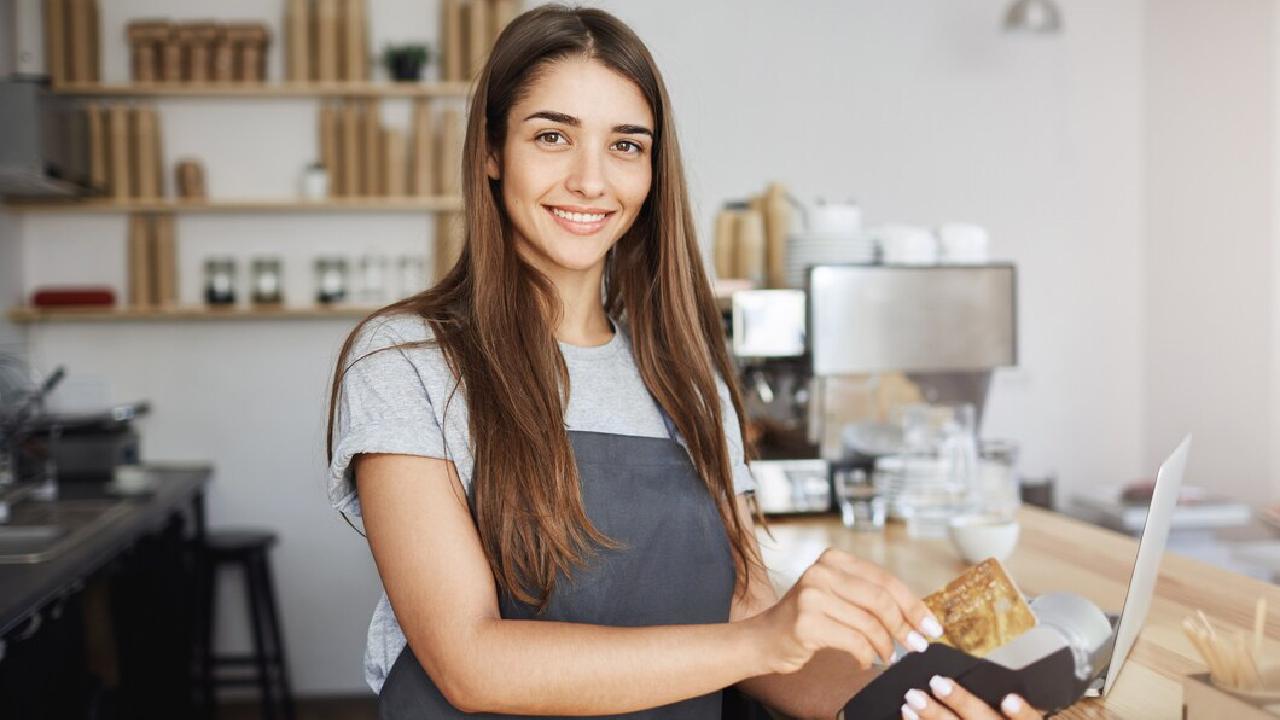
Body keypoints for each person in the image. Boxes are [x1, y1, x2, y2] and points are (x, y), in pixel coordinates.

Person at [326, 5, 1044, 719]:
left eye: (626, 146)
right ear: (491, 151)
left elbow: (746, 613)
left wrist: (916, 708)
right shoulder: (406, 361)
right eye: (552, 137)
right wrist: (764, 639)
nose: (590, 180)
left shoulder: (685, 376)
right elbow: (469, 663)